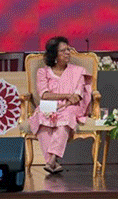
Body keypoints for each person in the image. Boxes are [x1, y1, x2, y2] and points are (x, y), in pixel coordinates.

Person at [28, 36, 92, 174]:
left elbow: (77, 95)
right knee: (41, 116)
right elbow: (44, 95)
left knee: (66, 116)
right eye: (63, 51)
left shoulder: (78, 71)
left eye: (68, 49)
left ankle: (51, 159)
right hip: (50, 104)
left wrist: (66, 102)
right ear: (54, 55)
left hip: (71, 106)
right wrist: (66, 96)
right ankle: (53, 163)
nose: (68, 53)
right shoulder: (43, 72)